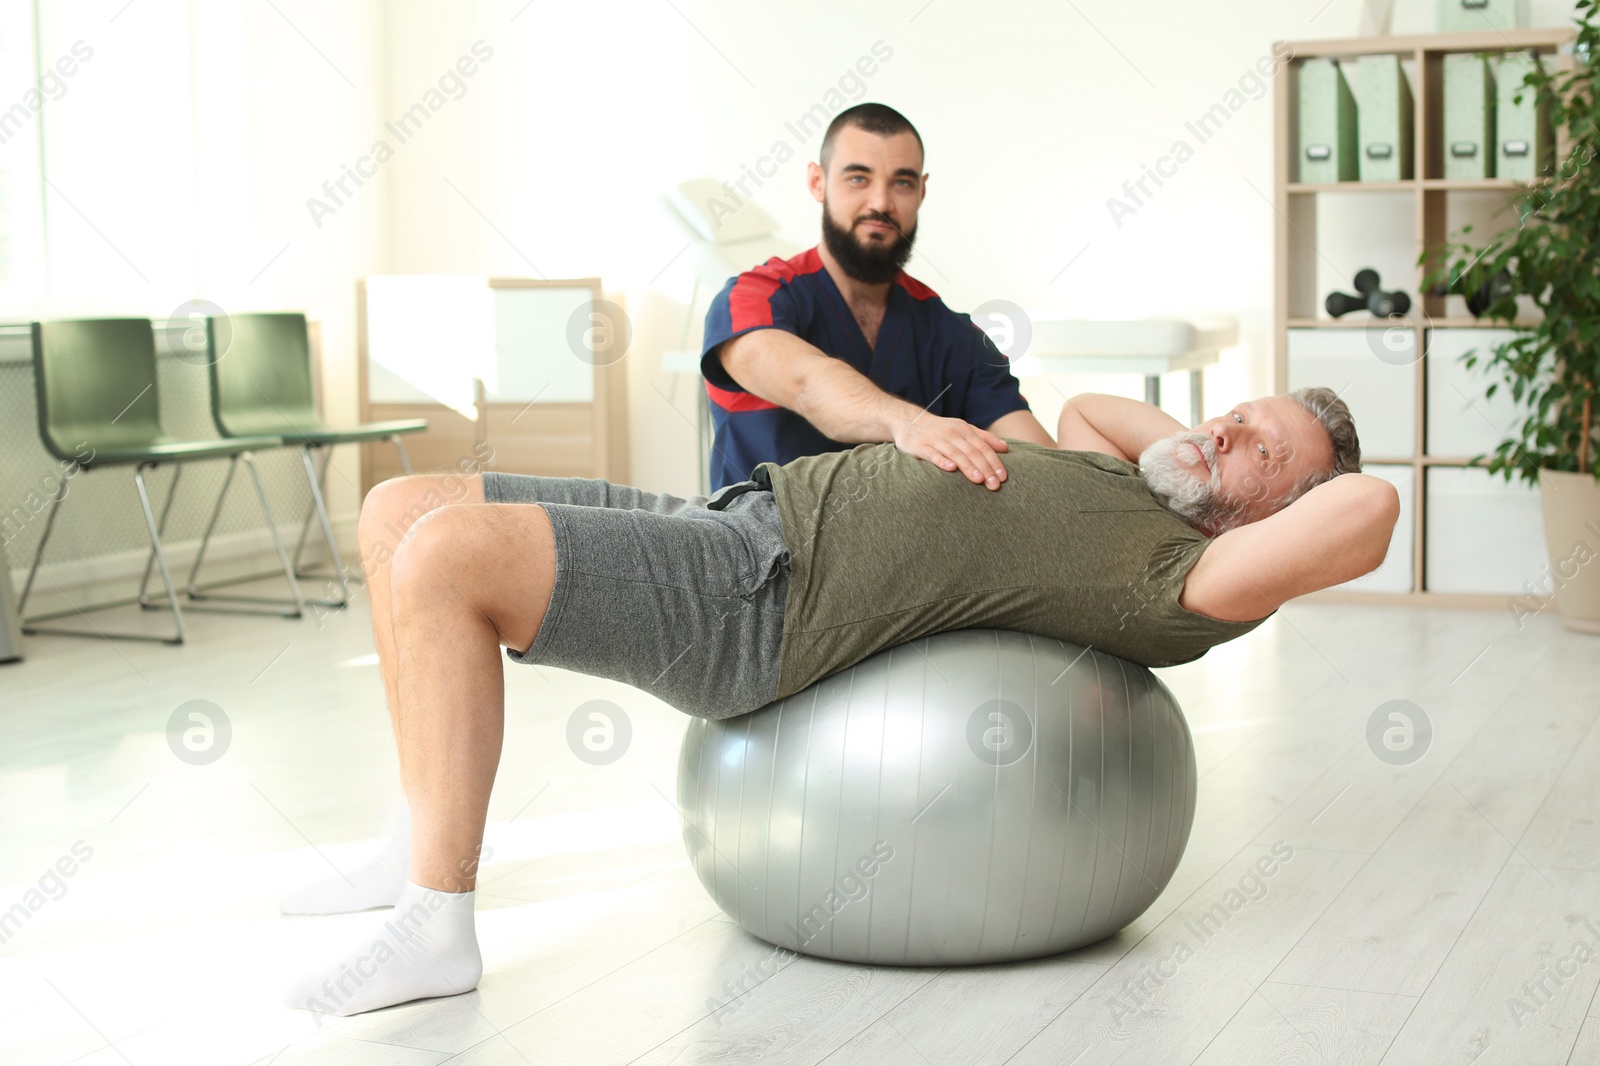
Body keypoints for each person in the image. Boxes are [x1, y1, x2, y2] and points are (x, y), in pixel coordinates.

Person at [281, 385, 1398, 1018]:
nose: (1221, 427)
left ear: (1280, 516)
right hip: (740, 515)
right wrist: (1208, 451)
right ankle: (409, 836)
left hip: (764, 601)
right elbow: (1092, 406)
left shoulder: (1190, 581)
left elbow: (1374, 510)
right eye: (1234, 411)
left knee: (442, 560)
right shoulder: (1131, 479)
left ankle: (437, 921)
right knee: (394, 511)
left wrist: (1267, 485)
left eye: (1259, 448)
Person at [699, 102, 1055, 492]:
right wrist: (906, 422)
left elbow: (1040, 464)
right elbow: (807, 384)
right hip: (762, 547)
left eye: (901, 182)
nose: (881, 202)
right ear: (817, 182)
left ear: (921, 190)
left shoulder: (958, 338)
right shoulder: (752, 301)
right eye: (858, 179)